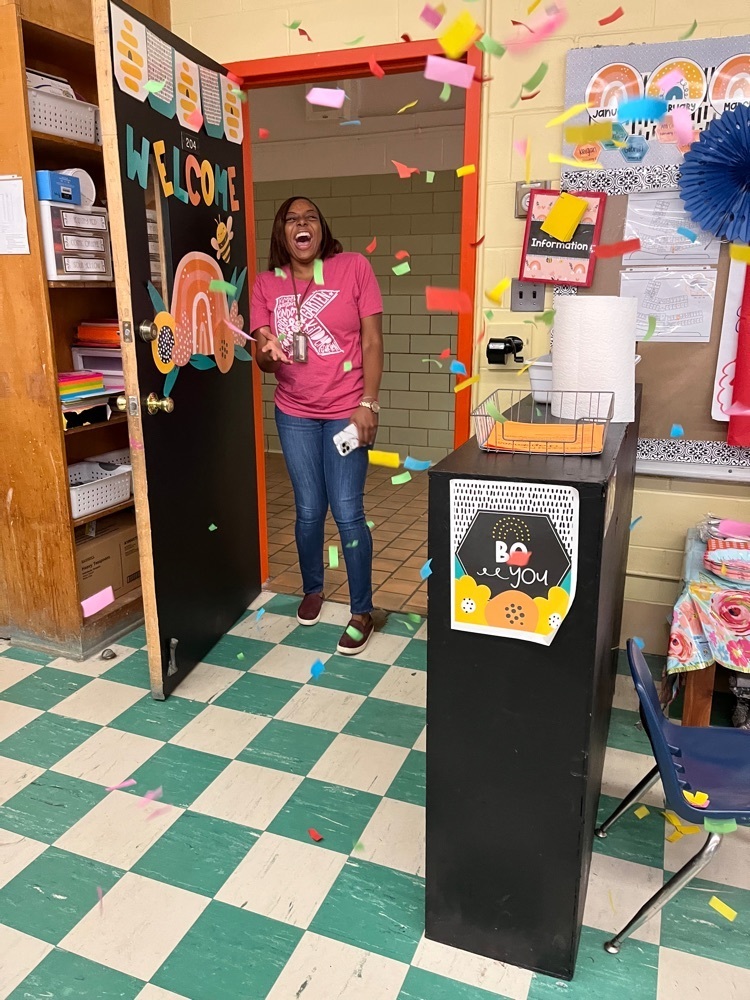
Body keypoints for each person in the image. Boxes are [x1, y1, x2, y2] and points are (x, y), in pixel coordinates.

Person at [250, 196, 384, 655]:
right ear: (281, 233)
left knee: (347, 510)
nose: (301, 224)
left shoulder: (353, 267)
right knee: (309, 509)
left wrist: (369, 403)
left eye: (310, 217)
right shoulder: (266, 284)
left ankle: (362, 611)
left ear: (321, 228)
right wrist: (267, 353)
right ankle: (313, 588)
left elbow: (372, 340)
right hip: (294, 413)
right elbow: (262, 359)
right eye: (291, 219)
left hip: (348, 411)